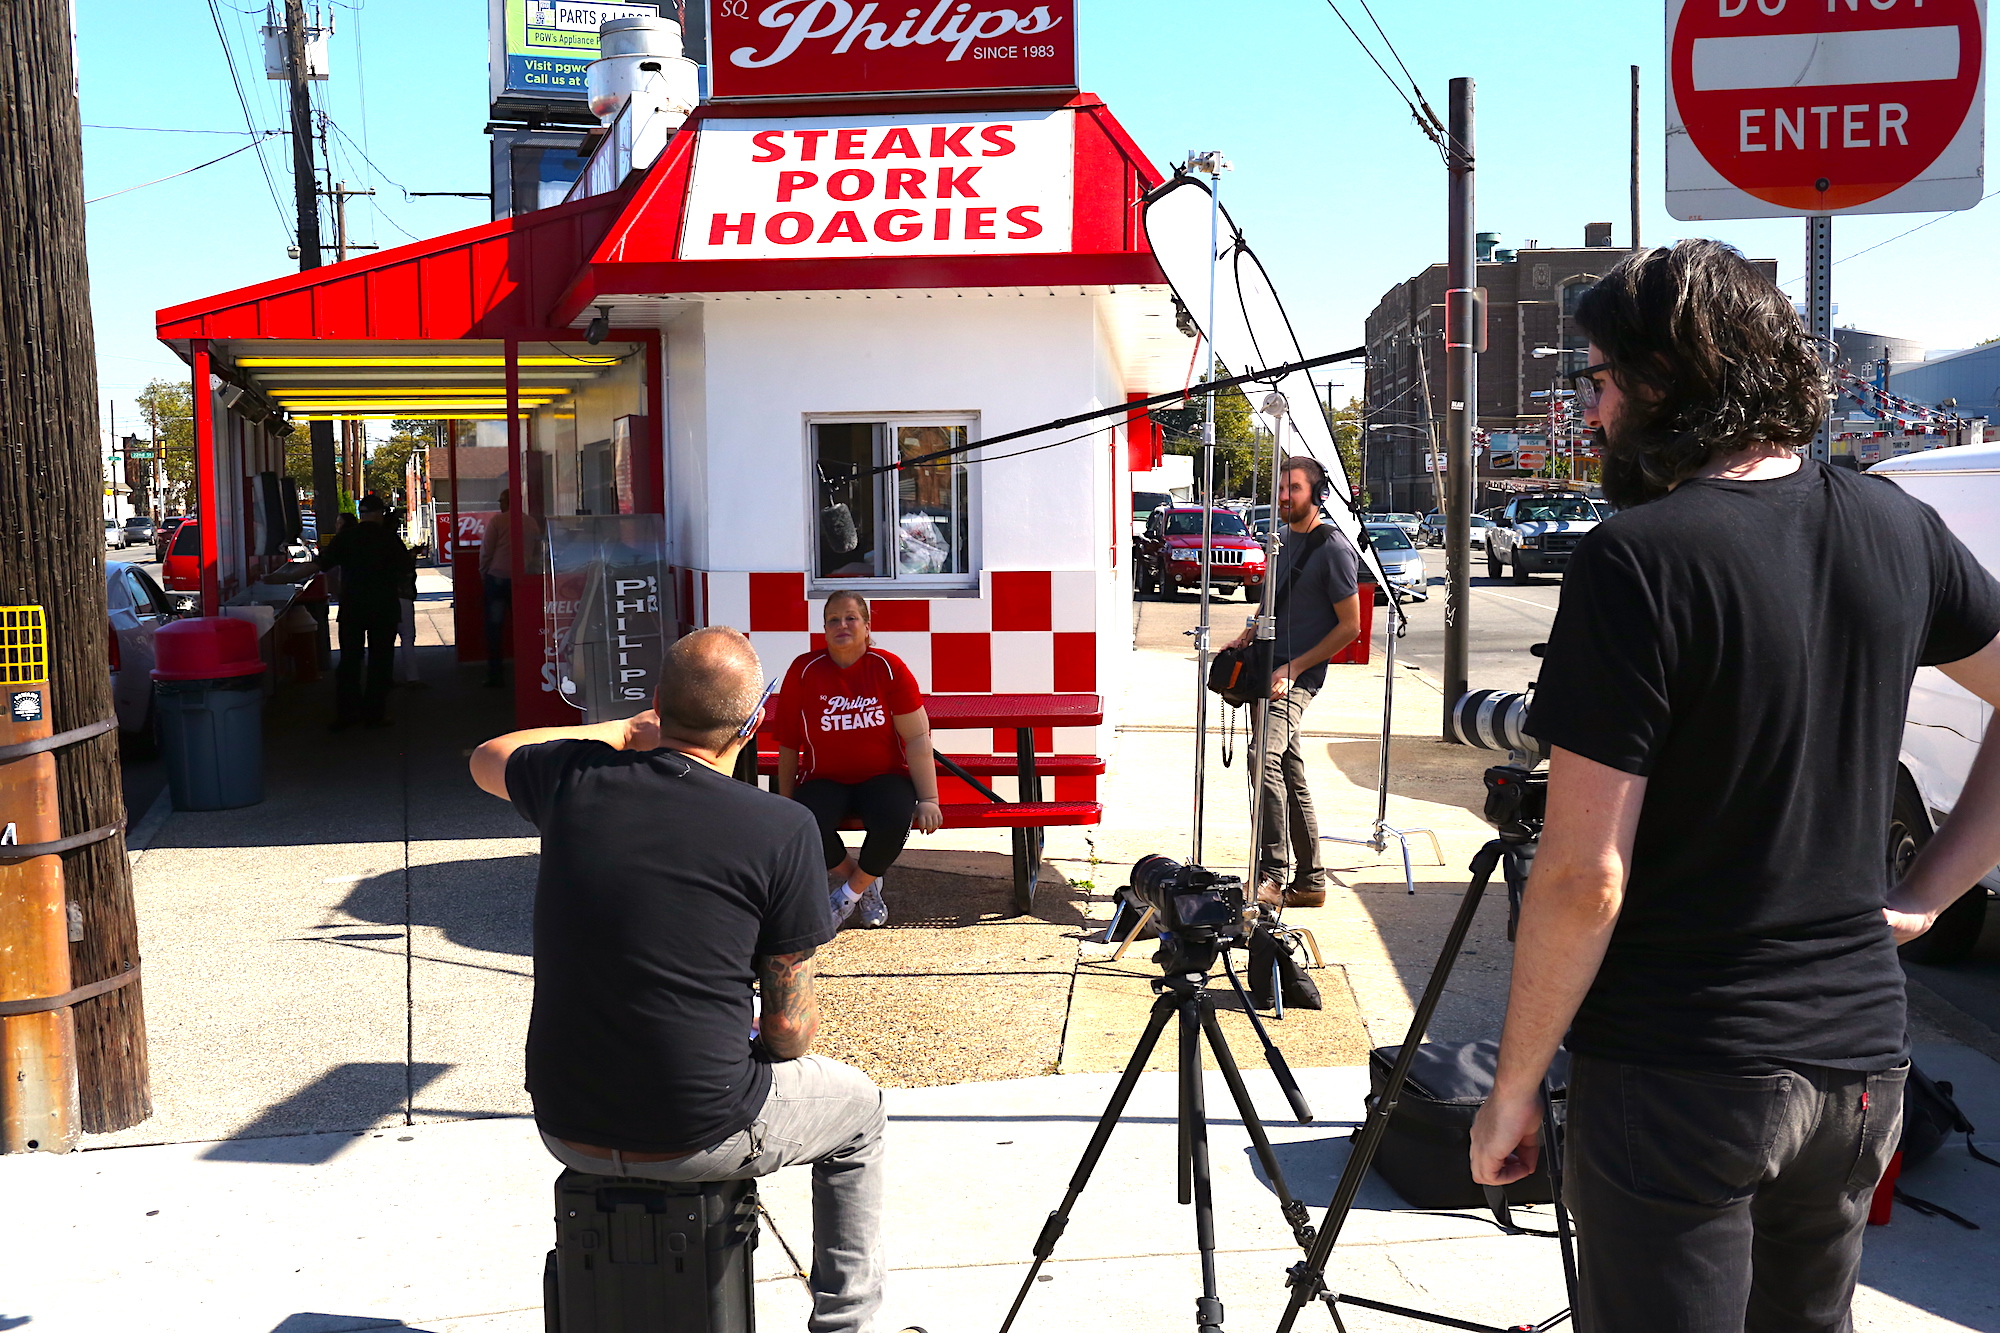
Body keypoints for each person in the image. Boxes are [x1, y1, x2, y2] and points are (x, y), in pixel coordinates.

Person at [1468, 240, 2000, 1333]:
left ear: (1668, 381)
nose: (1591, 411)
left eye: (1601, 380)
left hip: (1682, 1071)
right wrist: (1934, 889)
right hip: (1856, 1069)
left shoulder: (1636, 559)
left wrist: (1512, 1084)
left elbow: (1581, 877)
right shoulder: (1894, 524)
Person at [469, 627, 898, 1333]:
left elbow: (488, 756)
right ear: (755, 720)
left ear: (656, 705)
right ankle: (845, 1326)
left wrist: (620, 729)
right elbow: (789, 1030)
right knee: (860, 1112)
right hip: (696, 1127)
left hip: (566, 1120)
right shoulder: (782, 826)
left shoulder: (575, 783)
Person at [1226, 457, 1362, 909]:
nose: (1284, 496)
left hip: (1296, 676)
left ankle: (1273, 874)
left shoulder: (1335, 549)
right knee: (1288, 770)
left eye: (1295, 488)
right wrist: (1250, 628)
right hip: (1267, 667)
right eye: (1281, 487)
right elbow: (1276, 603)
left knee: (1261, 756)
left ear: (1316, 493)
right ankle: (1311, 880)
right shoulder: (1281, 539)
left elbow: (1351, 627)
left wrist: (1296, 668)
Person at [775, 592, 943, 930]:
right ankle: (864, 885)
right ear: (823, 628)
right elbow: (789, 745)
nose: (842, 625)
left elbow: (917, 737)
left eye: (851, 618)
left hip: (883, 776)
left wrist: (929, 799)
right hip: (824, 777)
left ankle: (846, 897)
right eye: (833, 619)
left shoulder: (888, 667)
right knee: (803, 822)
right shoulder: (804, 670)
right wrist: (784, 800)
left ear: (867, 626)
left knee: (895, 816)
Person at [314, 493, 410, 730]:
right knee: (380, 660)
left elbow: (321, 565)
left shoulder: (346, 538)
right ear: (379, 514)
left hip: (353, 606)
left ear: (361, 514)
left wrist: (281, 577)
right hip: (383, 607)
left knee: (349, 660)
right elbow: (406, 569)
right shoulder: (389, 539)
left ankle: (347, 713)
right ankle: (374, 714)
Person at [478, 488, 515, 688]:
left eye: (501, 500)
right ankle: (528, 670)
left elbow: (486, 551)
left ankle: (495, 674)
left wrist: (483, 574)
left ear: (506, 502)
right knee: (522, 628)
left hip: (498, 579)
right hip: (521, 580)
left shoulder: (498, 521)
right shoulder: (530, 522)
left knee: (494, 629)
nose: (499, 504)